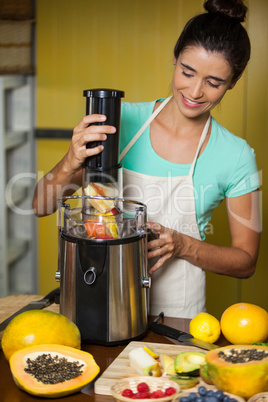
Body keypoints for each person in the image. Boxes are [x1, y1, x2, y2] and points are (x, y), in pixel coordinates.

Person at [32, 0, 261, 318]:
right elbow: (40, 206)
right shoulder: (119, 122)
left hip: (177, 319)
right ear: (175, 58)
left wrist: (183, 245)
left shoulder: (236, 156)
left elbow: (246, 262)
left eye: (214, 82)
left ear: (232, 83)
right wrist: (72, 159)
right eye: (187, 71)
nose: (194, 91)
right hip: (101, 303)